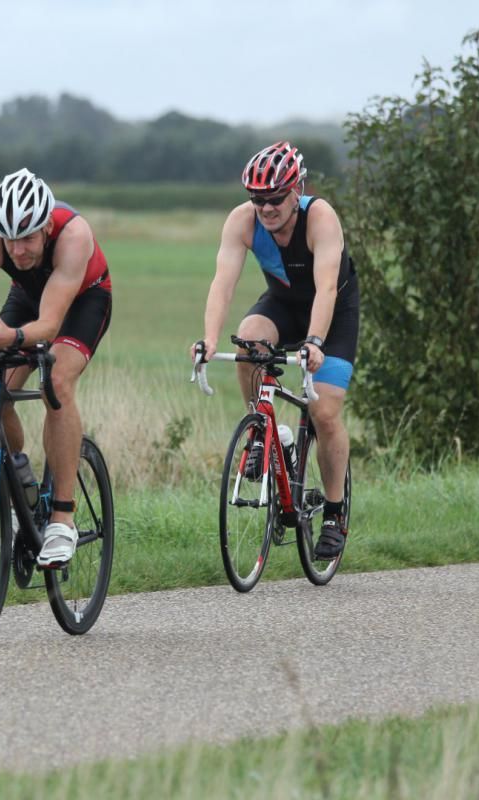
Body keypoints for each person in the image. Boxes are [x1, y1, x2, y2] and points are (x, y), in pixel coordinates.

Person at [196, 141, 359, 560]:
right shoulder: (242, 221)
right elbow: (223, 283)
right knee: (248, 338)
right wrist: (210, 339)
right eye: (257, 199)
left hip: (332, 313)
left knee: (324, 412)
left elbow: (326, 288)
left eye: (275, 198)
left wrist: (315, 342)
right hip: (284, 305)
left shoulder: (320, 218)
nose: (266, 208)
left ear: (296, 190)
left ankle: (334, 513)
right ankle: (264, 434)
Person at [0, 168, 112, 568]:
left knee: (56, 382)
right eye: (10, 240)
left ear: (45, 227)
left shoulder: (73, 235)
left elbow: (49, 326)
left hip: (83, 301)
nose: (18, 251)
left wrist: (12, 336)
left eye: (27, 238)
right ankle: (21, 481)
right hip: (27, 298)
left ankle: (62, 519)